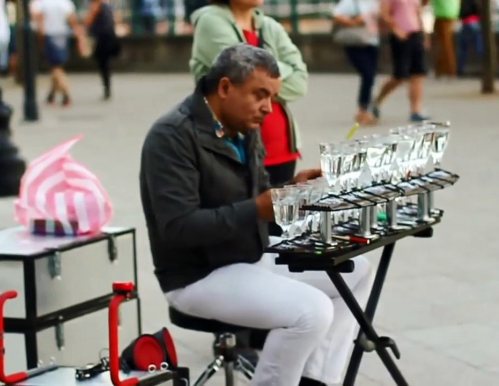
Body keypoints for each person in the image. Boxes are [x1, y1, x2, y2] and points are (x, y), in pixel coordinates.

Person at [139, 44, 373, 386]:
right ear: (224, 87)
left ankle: (316, 381)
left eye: (272, 97)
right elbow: (178, 228)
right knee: (311, 311)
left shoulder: (242, 126)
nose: (268, 108)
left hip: (247, 253)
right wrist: (259, 208)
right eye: (260, 95)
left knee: (356, 271)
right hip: (197, 274)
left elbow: (257, 195)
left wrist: (293, 188)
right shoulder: (172, 136)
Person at [189, 0, 307, 186]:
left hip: (282, 147)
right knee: (242, 212)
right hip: (235, 148)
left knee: (278, 214)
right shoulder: (210, 21)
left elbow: (300, 82)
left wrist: (258, 78)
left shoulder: (270, 26)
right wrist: (280, 72)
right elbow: (239, 73)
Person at [370, 0, 429, 122]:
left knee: (418, 73)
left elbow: (417, 12)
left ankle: (415, 109)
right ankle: (377, 99)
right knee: (400, 74)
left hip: (415, 33)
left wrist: (423, 34)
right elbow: (384, 14)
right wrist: (395, 29)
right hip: (401, 36)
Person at [332, 0, 380, 126]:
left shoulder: (375, 2)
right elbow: (336, 16)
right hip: (355, 42)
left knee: (371, 76)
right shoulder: (351, 2)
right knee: (367, 74)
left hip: (372, 41)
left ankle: (367, 107)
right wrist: (354, 22)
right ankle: (362, 110)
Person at [35, 0, 85, 106]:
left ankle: (66, 93)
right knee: (56, 66)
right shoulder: (64, 2)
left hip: (50, 35)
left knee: (55, 67)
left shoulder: (43, 3)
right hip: (63, 35)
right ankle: (51, 95)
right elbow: (72, 18)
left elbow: (40, 19)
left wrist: (40, 37)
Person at [84, 0, 121, 100]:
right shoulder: (108, 6)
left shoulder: (96, 6)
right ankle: (107, 88)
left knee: (103, 65)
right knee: (105, 64)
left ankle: (107, 89)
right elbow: (116, 19)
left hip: (101, 39)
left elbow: (88, 20)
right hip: (109, 37)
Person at [431, 0, 459, 78]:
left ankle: (449, 70)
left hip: (443, 14)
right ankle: (441, 70)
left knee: (444, 45)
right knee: (444, 44)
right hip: (450, 13)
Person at [456, 0, 482, 76]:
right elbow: (479, 11)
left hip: (466, 23)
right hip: (474, 22)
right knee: (478, 47)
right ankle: (482, 67)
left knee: (462, 49)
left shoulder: (463, 2)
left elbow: (461, 14)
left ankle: (460, 69)